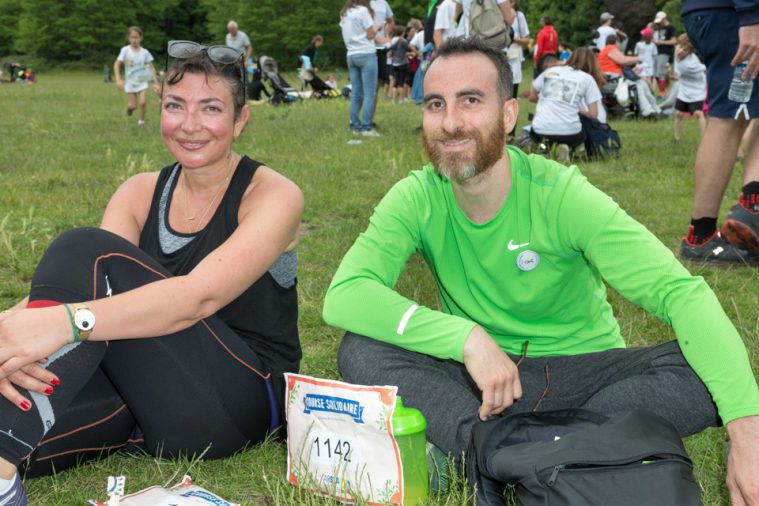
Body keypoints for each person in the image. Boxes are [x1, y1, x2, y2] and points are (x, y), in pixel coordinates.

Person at [322, 36, 759, 505]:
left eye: (470, 100)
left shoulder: (561, 194)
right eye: (435, 104)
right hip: (482, 382)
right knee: (363, 349)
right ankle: (553, 456)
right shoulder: (417, 196)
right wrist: (465, 338)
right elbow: (345, 294)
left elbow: (681, 294)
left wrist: (749, 429)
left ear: (509, 115)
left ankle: (490, 457)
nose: (450, 123)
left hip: (587, 380)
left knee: (698, 369)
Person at [0, 40, 303, 504]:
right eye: (176, 106)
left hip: (237, 403)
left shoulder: (272, 195)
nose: (189, 125)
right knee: (31, 392)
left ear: (240, 120)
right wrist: (9, 335)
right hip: (146, 400)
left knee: (83, 246)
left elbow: (196, 298)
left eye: (210, 108)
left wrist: (60, 323)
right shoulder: (139, 191)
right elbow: (83, 292)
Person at [679, 0, 759, 265]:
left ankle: (752, 205)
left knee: (734, 114)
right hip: (733, 14)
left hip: (718, 12)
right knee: (728, 117)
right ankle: (702, 238)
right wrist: (751, 15)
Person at [527, 53, 602, 162]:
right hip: (571, 134)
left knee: (537, 138)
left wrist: (550, 99)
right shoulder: (587, 78)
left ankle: (545, 150)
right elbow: (593, 114)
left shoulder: (549, 72)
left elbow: (532, 97)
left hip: (541, 130)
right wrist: (580, 110)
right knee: (581, 128)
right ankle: (575, 147)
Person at [341, 0, 380, 136]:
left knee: (356, 93)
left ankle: (355, 127)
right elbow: (370, 34)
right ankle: (367, 127)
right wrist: (377, 29)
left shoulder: (345, 13)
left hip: (351, 54)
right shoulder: (363, 11)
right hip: (366, 53)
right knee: (370, 93)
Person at [113, 26, 161, 127]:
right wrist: (118, 80)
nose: (134, 39)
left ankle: (141, 122)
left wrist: (155, 83)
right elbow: (117, 64)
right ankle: (130, 108)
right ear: (128, 38)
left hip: (142, 81)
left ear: (141, 38)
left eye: (136, 37)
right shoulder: (125, 50)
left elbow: (151, 68)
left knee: (143, 102)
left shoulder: (145, 52)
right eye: (132, 37)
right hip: (130, 83)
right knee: (133, 106)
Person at [674, 33, 707, 143]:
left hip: (696, 89)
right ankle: (676, 139)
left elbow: (706, 69)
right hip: (684, 88)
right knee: (678, 113)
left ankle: (704, 140)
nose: (680, 51)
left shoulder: (691, 64)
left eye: (685, 49)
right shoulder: (677, 52)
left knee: (698, 114)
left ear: (690, 51)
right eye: (680, 46)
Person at [370, 0, 395, 120]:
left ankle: (370, 119)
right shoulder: (361, 2)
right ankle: (358, 120)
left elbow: (391, 22)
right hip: (366, 47)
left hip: (380, 48)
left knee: (376, 86)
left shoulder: (383, 3)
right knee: (367, 87)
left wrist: (384, 35)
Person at [652, 11, 676, 97]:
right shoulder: (659, 27)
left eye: (660, 21)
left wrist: (661, 42)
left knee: (661, 73)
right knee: (655, 74)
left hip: (665, 52)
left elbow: (674, 41)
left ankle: (662, 94)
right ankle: (663, 91)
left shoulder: (670, 28)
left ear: (664, 19)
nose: (659, 23)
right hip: (656, 52)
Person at [389, 25, 410, 102]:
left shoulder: (393, 40)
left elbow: (390, 49)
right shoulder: (402, 41)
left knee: (395, 82)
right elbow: (409, 48)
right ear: (402, 33)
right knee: (401, 82)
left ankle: (393, 100)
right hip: (402, 64)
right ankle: (401, 100)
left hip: (394, 64)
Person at [635, 27, 658, 91]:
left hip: (649, 66)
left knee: (647, 80)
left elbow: (654, 56)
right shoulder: (639, 44)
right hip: (641, 66)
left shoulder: (653, 45)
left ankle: (652, 91)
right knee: (644, 80)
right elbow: (636, 55)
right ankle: (651, 91)